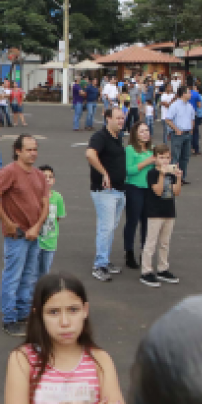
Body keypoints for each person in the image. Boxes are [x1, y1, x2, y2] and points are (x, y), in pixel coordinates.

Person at [4, 273, 129, 404]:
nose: (64, 322)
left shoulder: (100, 361)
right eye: (53, 312)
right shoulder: (23, 360)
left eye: (73, 310)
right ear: (39, 315)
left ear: (85, 310)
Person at [0, 135, 50, 336]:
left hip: (33, 234)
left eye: (35, 149)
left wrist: (37, 227)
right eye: (29, 149)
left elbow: (45, 204)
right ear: (18, 151)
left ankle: (24, 313)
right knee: (13, 277)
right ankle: (9, 318)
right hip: (17, 235)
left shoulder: (39, 175)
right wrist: (8, 223)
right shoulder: (9, 172)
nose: (33, 153)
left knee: (29, 277)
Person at [84, 108, 127, 283]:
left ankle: (105, 260)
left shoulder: (118, 137)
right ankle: (99, 265)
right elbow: (90, 154)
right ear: (107, 118)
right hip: (105, 192)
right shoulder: (100, 137)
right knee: (106, 228)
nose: (121, 121)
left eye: (122, 118)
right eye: (117, 118)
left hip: (118, 190)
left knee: (110, 227)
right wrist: (104, 173)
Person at [139, 145, 183, 288]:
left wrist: (178, 178)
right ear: (155, 158)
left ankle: (163, 268)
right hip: (155, 213)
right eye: (161, 157)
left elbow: (176, 192)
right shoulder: (152, 173)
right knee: (151, 243)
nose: (165, 160)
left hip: (169, 212)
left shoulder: (171, 172)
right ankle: (146, 271)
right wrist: (162, 174)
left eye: (167, 157)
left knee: (165, 243)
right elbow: (158, 191)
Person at [122, 124, 154, 270]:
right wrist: (146, 162)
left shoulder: (152, 150)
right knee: (133, 221)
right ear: (135, 134)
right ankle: (128, 252)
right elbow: (128, 171)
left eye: (147, 130)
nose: (145, 133)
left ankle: (144, 252)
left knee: (147, 222)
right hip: (133, 188)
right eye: (142, 131)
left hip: (149, 190)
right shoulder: (130, 150)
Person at [37, 166, 65, 278]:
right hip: (36, 240)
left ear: (54, 180)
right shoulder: (34, 196)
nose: (48, 179)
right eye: (44, 177)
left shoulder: (58, 197)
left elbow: (58, 217)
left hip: (50, 241)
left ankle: (41, 292)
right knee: (32, 270)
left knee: (45, 271)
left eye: (50, 177)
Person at [162, 92, 195, 184]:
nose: (190, 94)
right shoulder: (174, 105)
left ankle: (182, 178)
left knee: (185, 157)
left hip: (187, 134)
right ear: (183, 93)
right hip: (177, 135)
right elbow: (168, 119)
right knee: (175, 156)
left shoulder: (190, 106)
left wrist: (191, 129)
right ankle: (172, 178)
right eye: (188, 92)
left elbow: (192, 119)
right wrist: (176, 130)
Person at [189, 83, 202, 155]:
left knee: (193, 131)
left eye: (195, 88)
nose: (193, 90)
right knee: (195, 131)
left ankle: (193, 147)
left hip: (195, 115)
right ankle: (195, 147)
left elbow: (200, 106)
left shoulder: (195, 96)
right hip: (199, 115)